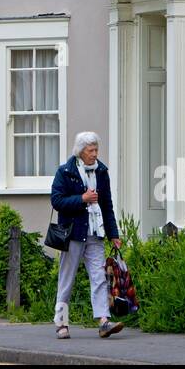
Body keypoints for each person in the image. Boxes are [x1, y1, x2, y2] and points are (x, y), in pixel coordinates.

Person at [51, 131, 123, 339]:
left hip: (95, 231)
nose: (94, 154)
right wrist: (82, 198)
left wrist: (113, 234)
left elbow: (107, 205)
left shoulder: (101, 171)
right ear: (81, 151)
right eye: (91, 150)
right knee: (67, 279)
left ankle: (103, 321)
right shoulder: (65, 172)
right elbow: (57, 201)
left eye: (96, 150)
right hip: (73, 232)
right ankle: (61, 323)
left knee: (99, 277)